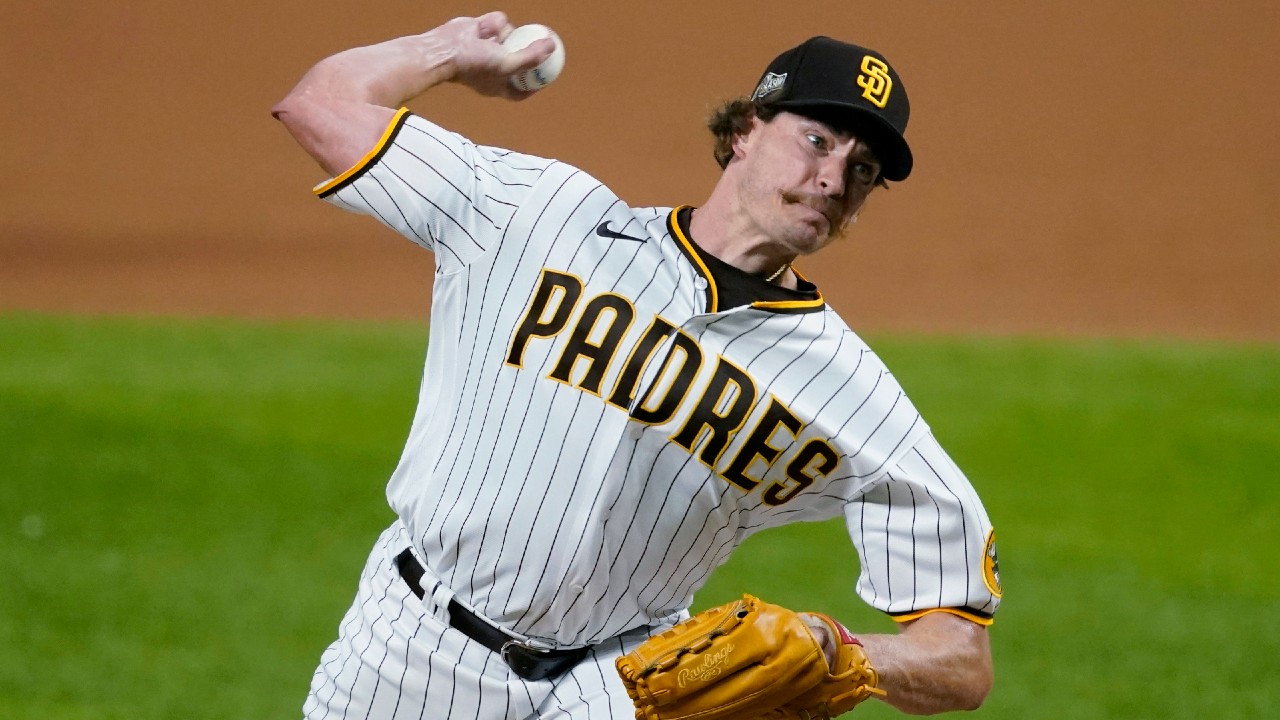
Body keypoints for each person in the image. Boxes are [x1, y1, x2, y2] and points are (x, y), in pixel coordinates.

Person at [273, 11, 1001, 719]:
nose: (833, 178)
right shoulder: (537, 214)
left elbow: (961, 659)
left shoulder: (850, 392)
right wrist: (450, 53)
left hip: (619, 690)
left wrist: (846, 654)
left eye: (863, 169)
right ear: (746, 130)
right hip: (414, 653)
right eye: (817, 140)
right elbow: (321, 106)